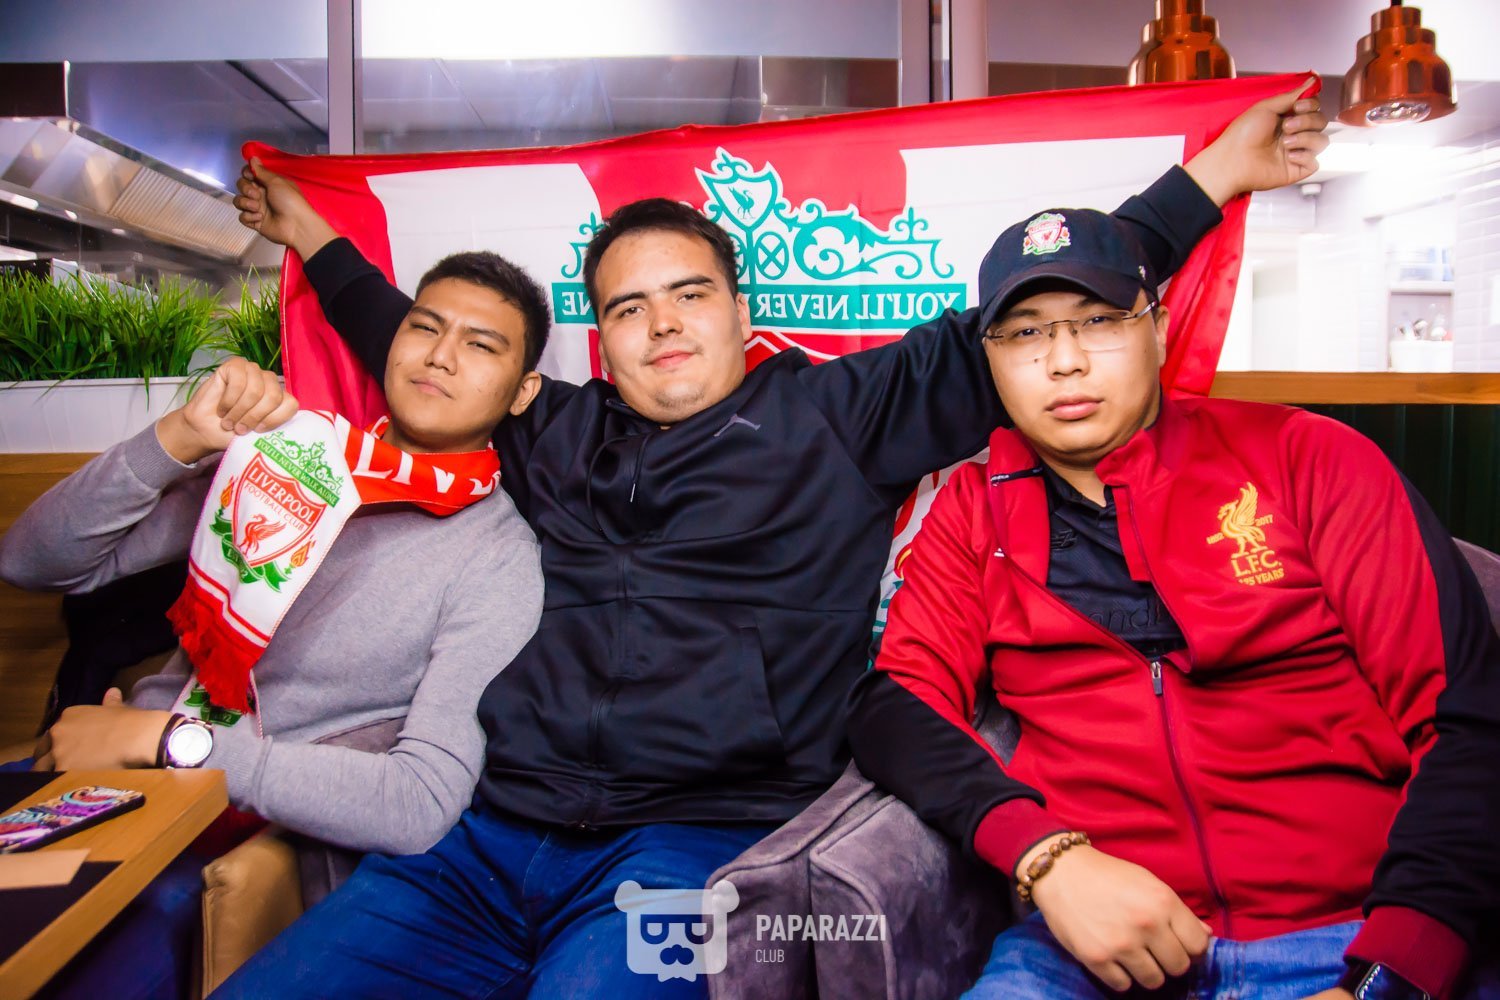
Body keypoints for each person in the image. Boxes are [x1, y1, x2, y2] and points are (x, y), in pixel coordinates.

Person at [218, 84, 1328, 997]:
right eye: (628, 308)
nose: (662, 323)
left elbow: (1043, 298)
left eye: (689, 295)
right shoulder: (550, 428)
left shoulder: (838, 415)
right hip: (482, 835)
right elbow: (412, 345)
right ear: (600, 342)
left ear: (741, 314)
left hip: (689, 850)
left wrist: (1218, 173)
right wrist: (310, 232)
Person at [845, 207, 1500, 1000]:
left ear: (1158, 329)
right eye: (1025, 334)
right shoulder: (973, 509)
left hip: (1350, 933)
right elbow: (897, 704)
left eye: (1098, 321)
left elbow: (1467, 717)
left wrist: (1396, 970)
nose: (1064, 361)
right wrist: (1046, 858)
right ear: (991, 360)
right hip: (1091, 947)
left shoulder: (1308, 458)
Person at [0, 251, 547, 999]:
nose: (441, 356)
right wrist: (178, 438)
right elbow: (31, 561)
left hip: (226, 827)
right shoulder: (289, 458)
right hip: (98, 777)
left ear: (523, 391)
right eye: (425, 327)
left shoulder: (497, 557)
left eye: (480, 345)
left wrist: (165, 741)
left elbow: (420, 801)